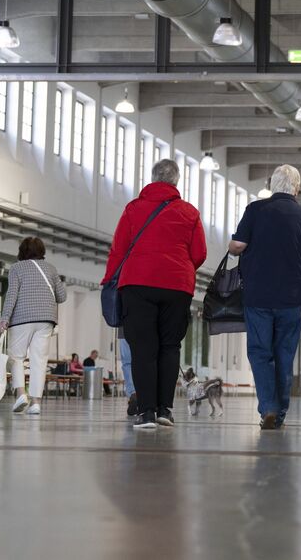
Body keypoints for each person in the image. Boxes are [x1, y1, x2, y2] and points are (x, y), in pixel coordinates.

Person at [102, 159, 206, 430]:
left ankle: (146, 412)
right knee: (170, 347)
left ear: (151, 178)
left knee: (143, 349)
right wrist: (180, 269)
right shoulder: (189, 212)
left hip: (137, 284)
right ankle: (165, 410)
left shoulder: (133, 209)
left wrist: (108, 280)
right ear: (176, 181)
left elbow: (119, 249)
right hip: (177, 287)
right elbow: (199, 253)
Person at [228, 164, 301, 430]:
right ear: (297, 189)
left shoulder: (255, 210)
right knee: (284, 354)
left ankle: (269, 408)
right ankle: (280, 412)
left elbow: (238, 246)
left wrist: (234, 245)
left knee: (260, 352)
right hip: (291, 298)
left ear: (272, 185)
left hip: (258, 296)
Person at [0, 236, 67, 416]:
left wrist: (4, 318)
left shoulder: (16, 268)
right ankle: (36, 403)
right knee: (39, 361)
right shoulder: (51, 269)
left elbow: (11, 294)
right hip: (46, 320)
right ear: (41, 251)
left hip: (21, 319)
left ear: (22, 251)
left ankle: (21, 394)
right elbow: (62, 296)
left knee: (17, 358)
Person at [118, 338, 138, 416]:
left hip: (124, 330)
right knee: (144, 360)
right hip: (147, 328)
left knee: (127, 363)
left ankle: (133, 394)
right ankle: (146, 397)